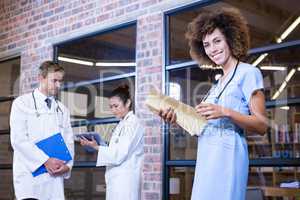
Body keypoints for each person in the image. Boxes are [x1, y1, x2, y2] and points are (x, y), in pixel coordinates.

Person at [159, 7, 267, 200]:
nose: (212, 49)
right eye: (207, 44)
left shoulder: (248, 73)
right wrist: (176, 119)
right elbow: (200, 126)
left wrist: (225, 112)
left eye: (217, 41)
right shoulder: (216, 85)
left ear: (231, 39)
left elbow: (261, 125)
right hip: (206, 154)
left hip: (229, 154)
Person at [10, 61, 74, 200]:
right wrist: (45, 160)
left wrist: (68, 166)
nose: (58, 85)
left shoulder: (62, 109)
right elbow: (18, 139)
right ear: (41, 78)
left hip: (54, 179)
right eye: (54, 80)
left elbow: (69, 142)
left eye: (60, 81)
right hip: (30, 178)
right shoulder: (22, 103)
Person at [79, 85, 144, 200]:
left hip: (126, 181)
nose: (113, 110)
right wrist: (97, 145)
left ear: (128, 103)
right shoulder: (122, 123)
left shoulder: (132, 123)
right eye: (111, 107)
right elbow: (116, 150)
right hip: (117, 179)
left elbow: (119, 155)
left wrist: (97, 147)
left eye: (116, 106)